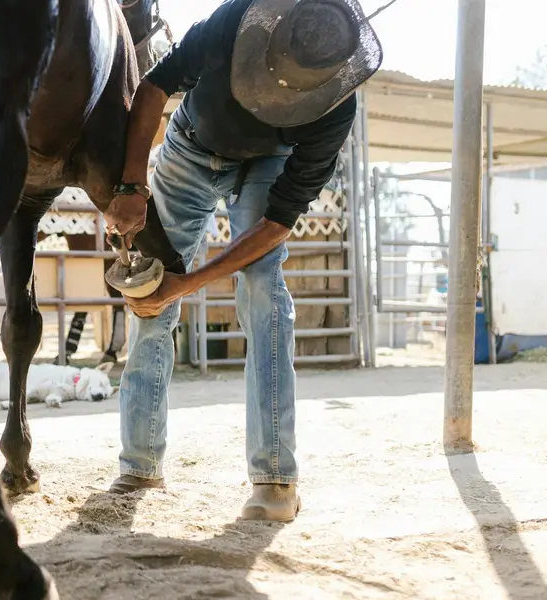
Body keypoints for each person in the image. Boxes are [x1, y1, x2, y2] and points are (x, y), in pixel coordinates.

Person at [103, 0, 382, 521]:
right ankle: (139, 462)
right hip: (187, 148)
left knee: (264, 295)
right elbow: (155, 86)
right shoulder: (234, 20)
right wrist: (131, 184)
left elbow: (275, 225)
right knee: (148, 294)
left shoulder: (338, 106)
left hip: (267, 167)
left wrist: (186, 286)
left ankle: (276, 477)